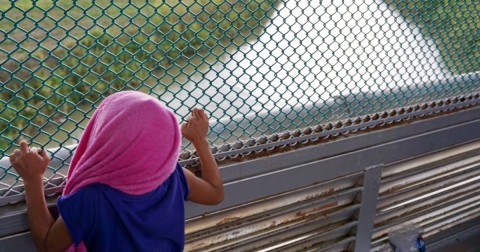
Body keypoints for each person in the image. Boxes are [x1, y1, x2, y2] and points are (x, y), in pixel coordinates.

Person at [9, 91, 224, 252]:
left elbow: (48, 244)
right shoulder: (172, 175)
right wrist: (200, 141)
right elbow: (215, 193)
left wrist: (32, 180)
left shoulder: (93, 197)